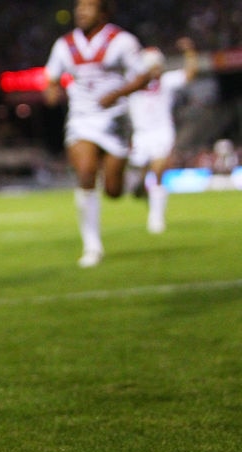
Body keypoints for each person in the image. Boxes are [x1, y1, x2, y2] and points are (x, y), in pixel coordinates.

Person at [43, 0, 151, 267]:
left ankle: (134, 182)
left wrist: (116, 94)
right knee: (86, 172)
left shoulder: (122, 40)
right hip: (81, 119)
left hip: (114, 120)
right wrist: (51, 91)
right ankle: (92, 246)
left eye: (88, 7)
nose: (81, 11)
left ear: (103, 12)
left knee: (113, 191)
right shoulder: (63, 45)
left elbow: (144, 76)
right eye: (79, 7)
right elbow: (51, 78)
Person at [127, 37, 199, 234]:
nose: (155, 70)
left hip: (162, 132)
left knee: (158, 170)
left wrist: (190, 52)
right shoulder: (132, 87)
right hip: (141, 135)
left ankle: (156, 218)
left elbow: (190, 74)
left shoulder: (167, 82)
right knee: (139, 177)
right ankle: (141, 187)